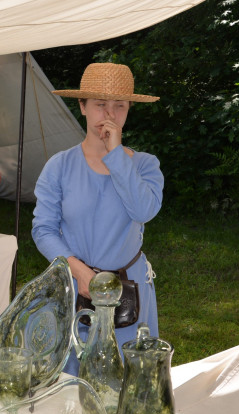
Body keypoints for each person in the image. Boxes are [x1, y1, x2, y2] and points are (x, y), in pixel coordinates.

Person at [32, 63, 164, 368]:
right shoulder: (60, 166)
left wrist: (115, 154)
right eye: (99, 104)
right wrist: (78, 271)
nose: (109, 115)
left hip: (129, 291)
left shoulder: (144, 166)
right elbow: (43, 229)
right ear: (82, 106)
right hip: (75, 286)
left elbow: (143, 210)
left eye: (119, 106)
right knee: (74, 378)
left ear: (130, 108)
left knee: (128, 379)